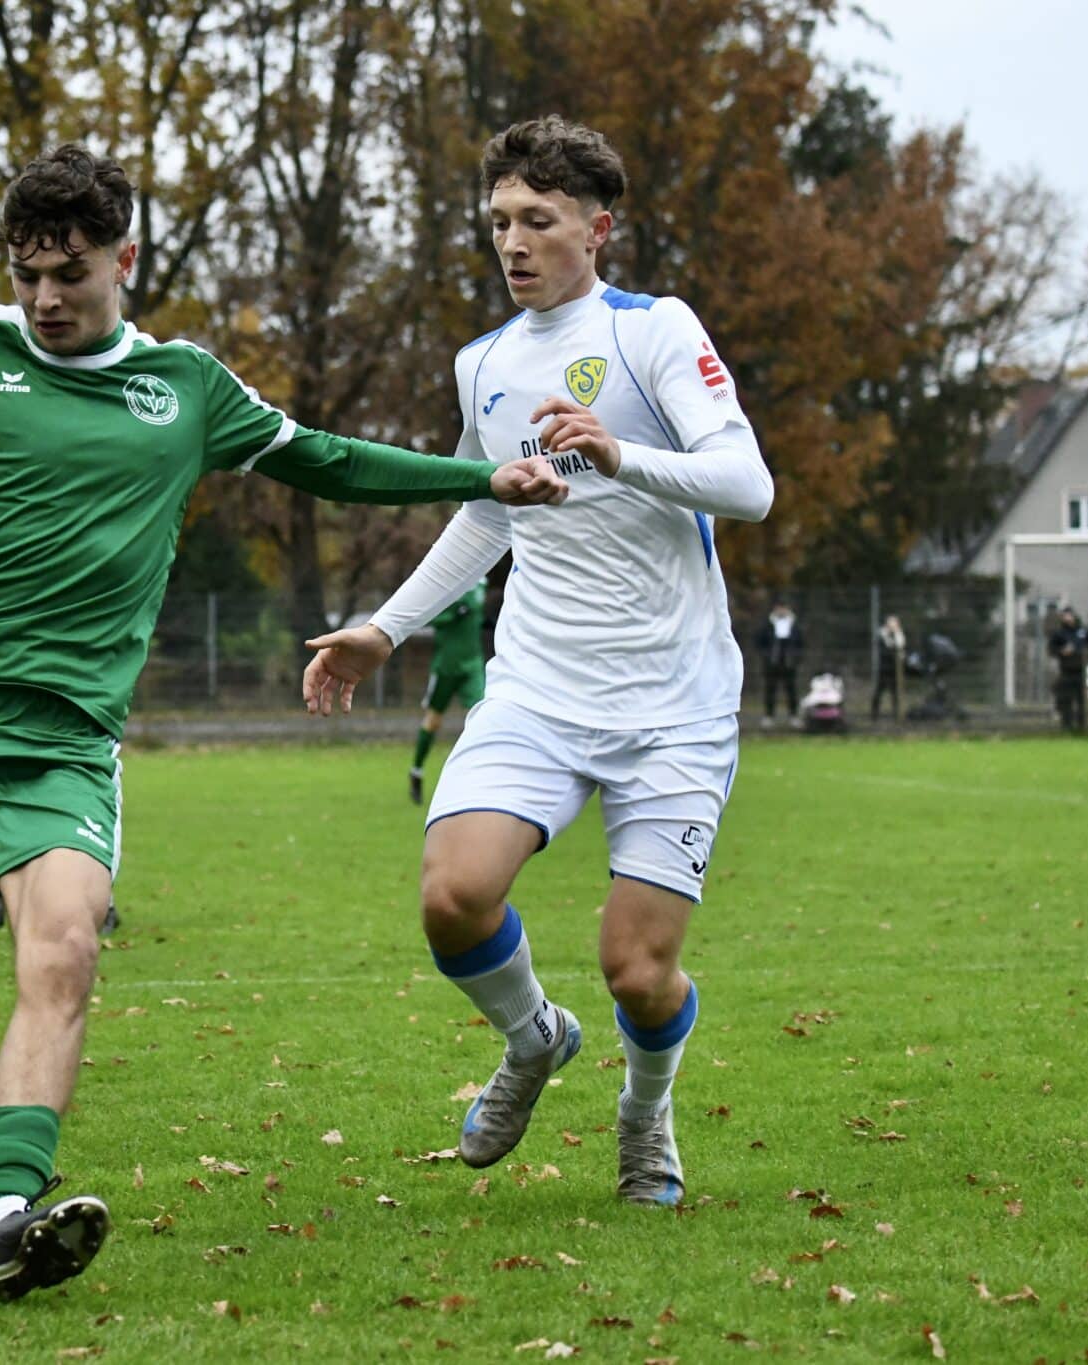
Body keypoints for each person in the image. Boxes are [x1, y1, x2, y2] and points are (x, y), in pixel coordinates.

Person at [0, 145, 567, 1300]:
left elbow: (327, 463)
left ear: (122, 258)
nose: (44, 297)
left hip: (56, 732)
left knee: (65, 949)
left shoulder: (186, 389)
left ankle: (1, 1217)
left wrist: (481, 480)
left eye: (69, 273)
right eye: (27, 272)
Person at [302, 115, 772, 1207]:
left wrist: (623, 455)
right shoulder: (483, 364)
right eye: (499, 221)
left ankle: (644, 1117)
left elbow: (746, 486)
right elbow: (482, 515)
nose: (512, 243)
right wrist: (384, 626)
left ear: (596, 229)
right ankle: (531, 1038)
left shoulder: (652, 333)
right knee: (452, 896)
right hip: (537, 690)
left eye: (538, 221)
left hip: (673, 705)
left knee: (638, 974)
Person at [409, 582, 488, 803]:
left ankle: (476, 781)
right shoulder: (451, 579)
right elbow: (430, 617)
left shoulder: (481, 582)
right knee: (433, 721)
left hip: (472, 664)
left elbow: (476, 614)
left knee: (481, 718)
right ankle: (416, 770)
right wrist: (452, 615)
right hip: (446, 666)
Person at [753, 602, 803, 726]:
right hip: (772, 664)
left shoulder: (794, 626)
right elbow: (760, 642)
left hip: (789, 663)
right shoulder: (768, 625)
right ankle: (769, 716)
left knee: (791, 690)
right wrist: (766, 656)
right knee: (770, 690)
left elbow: (800, 643)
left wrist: (795, 658)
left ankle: (794, 716)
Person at [1048, 606, 1088, 733]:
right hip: (1066, 671)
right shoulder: (1059, 633)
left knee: (1081, 700)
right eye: (1065, 616)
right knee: (1066, 699)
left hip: (1081, 671)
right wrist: (1062, 652)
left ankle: (1082, 726)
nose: (1068, 618)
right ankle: (1067, 726)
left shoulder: (1083, 631)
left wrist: (1087, 653)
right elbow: (1052, 649)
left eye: (1069, 615)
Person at [870, 614, 904, 722]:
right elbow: (887, 651)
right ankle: (874, 716)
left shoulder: (899, 636)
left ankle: (897, 716)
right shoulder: (882, 636)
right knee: (878, 693)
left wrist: (897, 634)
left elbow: (900, 649)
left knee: (895, 694)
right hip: (884, 670)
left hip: (895, 672)